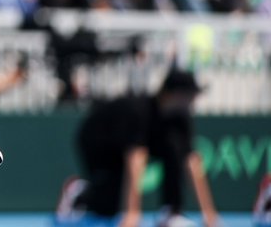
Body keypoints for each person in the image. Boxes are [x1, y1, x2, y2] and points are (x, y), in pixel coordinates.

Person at [57, 68, 220, 227]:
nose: (192, 100)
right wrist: (132, 213)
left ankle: (171, 212)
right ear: (170, 93)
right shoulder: (139, 111)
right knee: (106, 208)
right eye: (187, 95)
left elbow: (192, 161)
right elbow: (135, 160)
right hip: (99, 140)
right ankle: (79, 192)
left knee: (175, 150)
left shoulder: (181, 118)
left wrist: (209, 215)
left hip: (130, 143)